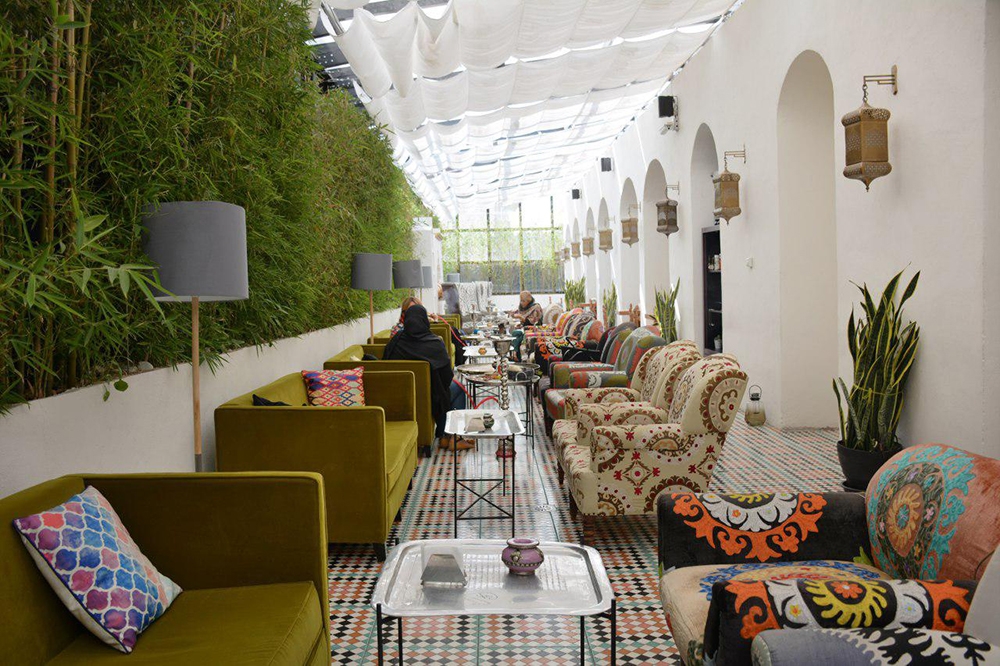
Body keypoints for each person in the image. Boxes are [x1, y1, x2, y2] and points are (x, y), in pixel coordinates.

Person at [384, 305, 472, 451]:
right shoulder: (434, 342)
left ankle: (446, 437)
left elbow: (386, 363)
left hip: (400, 396)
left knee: (443, 392)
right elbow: (447, 375)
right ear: (425, 321)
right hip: (430, 395)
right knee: (456, 390)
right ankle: (452, 437)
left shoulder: (396, 341)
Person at [509, 291, 543, 362]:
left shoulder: (535, 307)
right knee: (515, 333)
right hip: (525, 329)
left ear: (528, 300)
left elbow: (532, 322)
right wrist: (520, 324)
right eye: (521, 300)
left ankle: (515, 355)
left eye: (523, 301)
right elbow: (523, 319)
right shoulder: (525, 307)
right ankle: (515, 355)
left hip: (535, 329)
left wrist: (520, 317)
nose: (521, 303)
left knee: (518, 337)